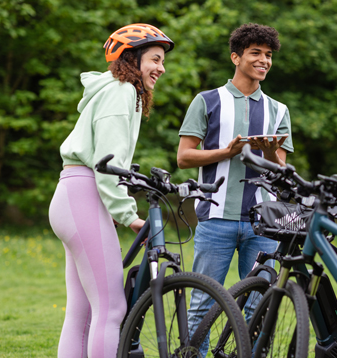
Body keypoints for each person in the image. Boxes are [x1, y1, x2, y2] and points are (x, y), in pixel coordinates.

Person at [48, 23, 174, 358]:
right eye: (155, 59)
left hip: (71, 195)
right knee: (112, 309)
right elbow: (107, 162)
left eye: (163, 62)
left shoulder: (115, 90)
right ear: (133, 58)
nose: (161, 68)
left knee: (82, 312)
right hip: (85, 193)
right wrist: (129, 215)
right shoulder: (122, 91)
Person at [177, 22, 293, 340]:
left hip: (264, 223)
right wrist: (226, 152)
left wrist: (270, 155)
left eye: (268, 55)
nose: (264, 60)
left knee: (259, 308)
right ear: (235, 57)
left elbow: (281, 168)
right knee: (202, 306)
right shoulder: (207, 101)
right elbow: (184, 157)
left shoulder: (278, 110)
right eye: (256, 53)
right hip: (215, 219)